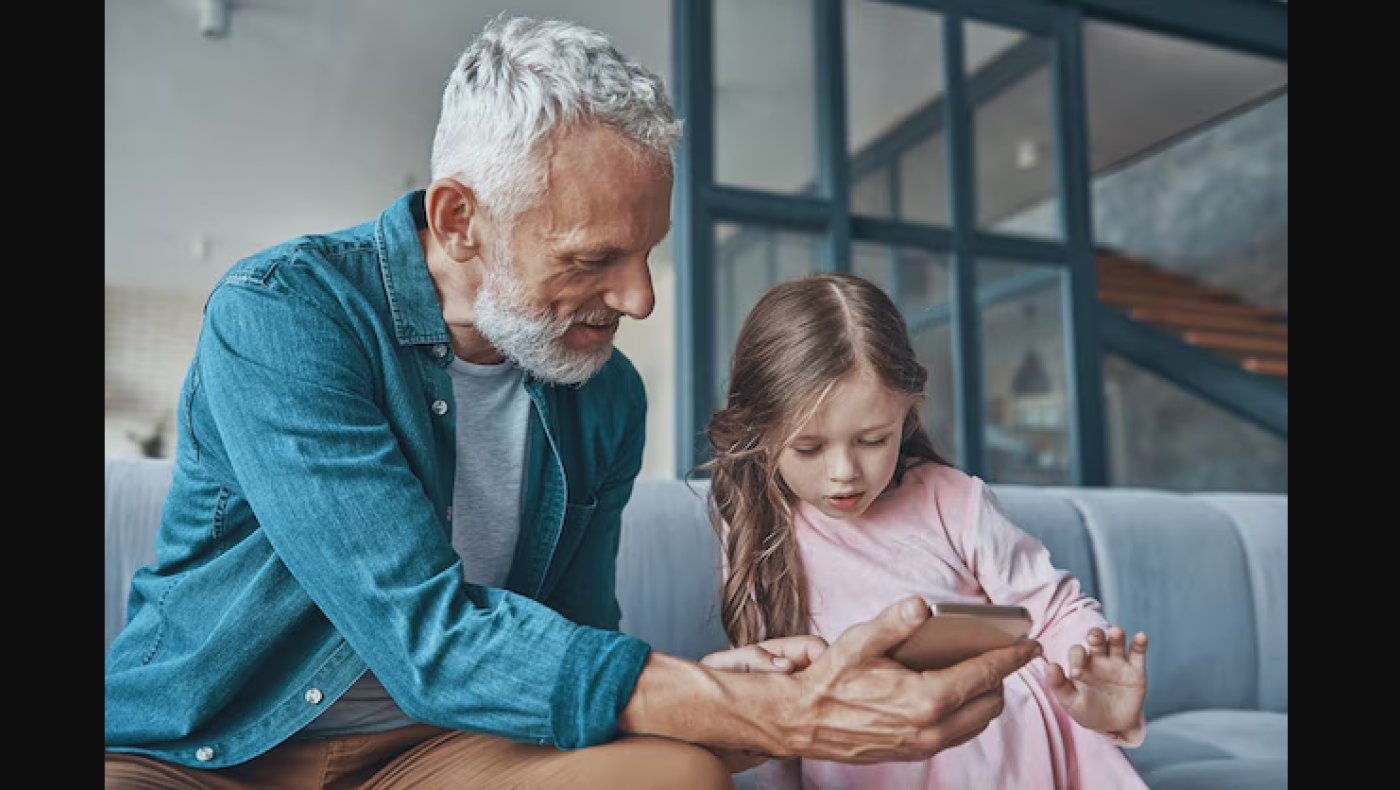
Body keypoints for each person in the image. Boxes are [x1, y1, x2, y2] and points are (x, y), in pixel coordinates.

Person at [104, 15, 1043, 790]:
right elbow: (419, 634)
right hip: (205, 749)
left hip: (438, 746)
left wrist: (722, 693)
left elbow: (575, 640)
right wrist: (733, 706)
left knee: (679, 776)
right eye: (595, 258)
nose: (639, 300)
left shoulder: (604, 394)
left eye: (649, 254)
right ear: (459, 220)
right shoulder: (285, 317)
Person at [702, 272, 1152, 789]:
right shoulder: (756, 534)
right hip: (863, 762)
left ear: (906, 409)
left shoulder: (953, 501)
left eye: (872, 440)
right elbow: (777, 713)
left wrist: (1090, 675)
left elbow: (1053, 613)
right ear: (760, 434)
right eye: (809, 449)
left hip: (1003, 748)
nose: (844, 472)